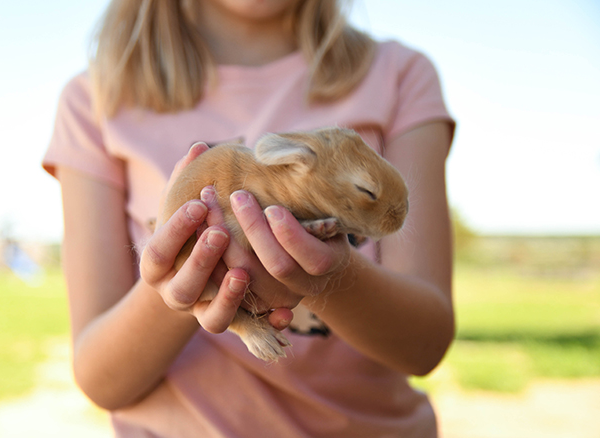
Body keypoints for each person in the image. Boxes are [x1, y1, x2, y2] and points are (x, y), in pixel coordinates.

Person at [43, 0, 455, 436]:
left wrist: (322, 276)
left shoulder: (398, 75)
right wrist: (181, 282)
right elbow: (100, 379)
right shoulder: (94, 99)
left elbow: (424, 347)